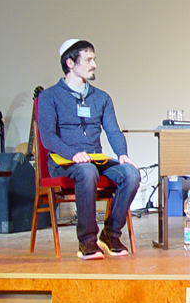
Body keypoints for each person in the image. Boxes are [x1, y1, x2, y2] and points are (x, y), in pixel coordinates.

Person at [37, 39, 140, 260]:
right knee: (86, 171)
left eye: (94, 59)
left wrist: (122, 154)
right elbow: (48, 137)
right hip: (64, 161)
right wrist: (72, 154)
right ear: (70, 62)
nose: (94, 64)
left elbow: (113, 130)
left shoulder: (101, 97)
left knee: (131, 173)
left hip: (95, 158)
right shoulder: (50, 97)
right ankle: (87, 241)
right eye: (89, 59)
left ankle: (111, 234)